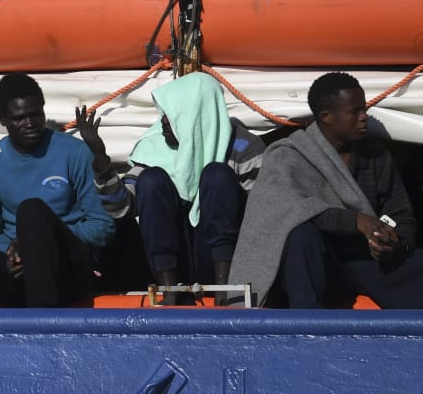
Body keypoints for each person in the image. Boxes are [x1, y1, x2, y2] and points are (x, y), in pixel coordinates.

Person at [230, 72, 423, 308]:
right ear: (327, 116)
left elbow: (401, 214)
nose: (364, 117)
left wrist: (396, 243)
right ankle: (307, 325)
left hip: (367, 262)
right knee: (300, 235)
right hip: (320, 265)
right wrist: (356, 221)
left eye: (364, 109)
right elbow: (286, 211)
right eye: (355, 112)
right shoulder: (288, 156)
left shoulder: (377, 156)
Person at [0, 73, 113, 308]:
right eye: (19, 118)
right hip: (19, 270)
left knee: (32, 212)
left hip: (69, 272)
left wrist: (37, 241)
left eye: (36, 114)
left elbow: (102, 227)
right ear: (1, 119)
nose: (30, 124)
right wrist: (13, 252)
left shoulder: (75, 153)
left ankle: (41, 328)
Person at [78, 71, 263, 287]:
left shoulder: (243, 147)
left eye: (171, 113)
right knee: (151, 179)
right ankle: (168, 289)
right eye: (163, 114)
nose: (163, 122)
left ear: (194, 112)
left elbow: (260, 218)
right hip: (173, 261)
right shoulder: (155, 148)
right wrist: (101, 159)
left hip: (231, 258)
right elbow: (121, 209)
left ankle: (224, 285)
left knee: (217, 176)